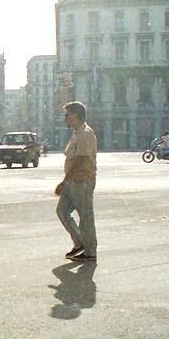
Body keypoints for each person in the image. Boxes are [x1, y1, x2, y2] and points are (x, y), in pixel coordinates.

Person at [55, 101, 98, 261]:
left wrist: (64, 182)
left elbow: (80, 160)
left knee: (86, 216)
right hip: (72, 181)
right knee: (62, 211)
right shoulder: (76, 133)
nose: (65, 118)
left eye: (67, 115)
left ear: (76, 116)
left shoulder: (85, 133)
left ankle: (90, 251)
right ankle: (79, 243)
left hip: (82, 181)